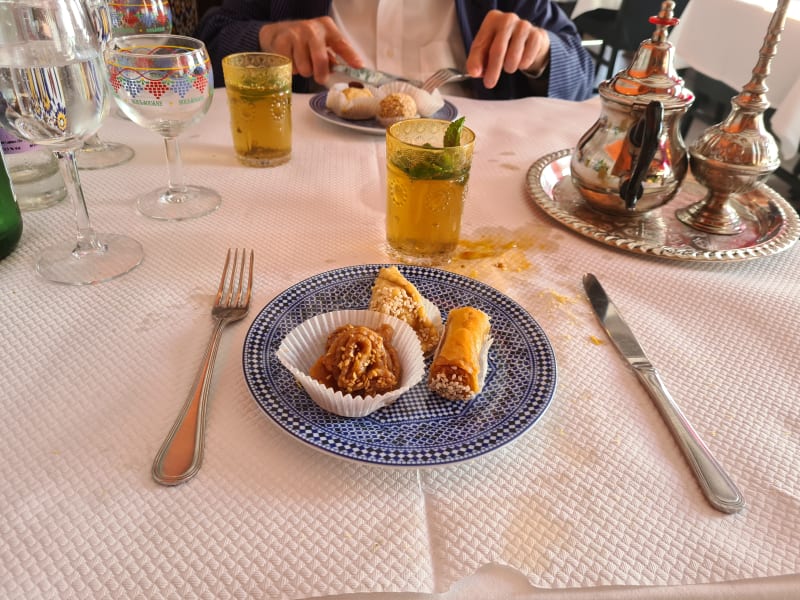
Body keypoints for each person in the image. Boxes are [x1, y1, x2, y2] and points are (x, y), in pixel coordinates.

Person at [195, 1, 595, 101]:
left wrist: (540, 51)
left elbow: (580, 75)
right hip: (304, 168)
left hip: (472, 170)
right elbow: (207, 48)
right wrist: (267, 41)